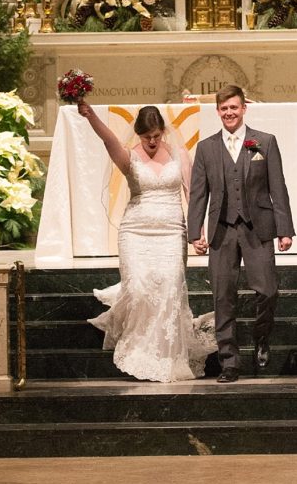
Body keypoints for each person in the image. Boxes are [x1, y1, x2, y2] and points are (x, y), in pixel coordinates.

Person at [78, 102, 216, 382]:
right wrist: (90, 114)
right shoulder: (129, 157)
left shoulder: (179, 154)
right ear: (139, 134)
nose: (152, 142)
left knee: (169, 287)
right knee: (140, 289)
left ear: (163, 131)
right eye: (146, 137)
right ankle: (140, 346)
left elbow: (192, 195)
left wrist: (197, 234)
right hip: (135, 232)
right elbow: (108, 139)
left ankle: (165, 353)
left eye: (156, 136)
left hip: (170, 232)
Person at [188, 84, 295, 383]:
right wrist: (194, 232)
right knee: (223, 297)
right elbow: (198, 193)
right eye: (224, 108)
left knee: (268, 290)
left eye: (234, 107)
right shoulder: (206, 147)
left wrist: (284, 230)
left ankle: (261, 337)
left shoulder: (264, 142)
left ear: (243, 108)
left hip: (258, 227)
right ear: (218, 111)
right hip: (221, 231)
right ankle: (230, 362)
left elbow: (278, 187)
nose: (229, 113)